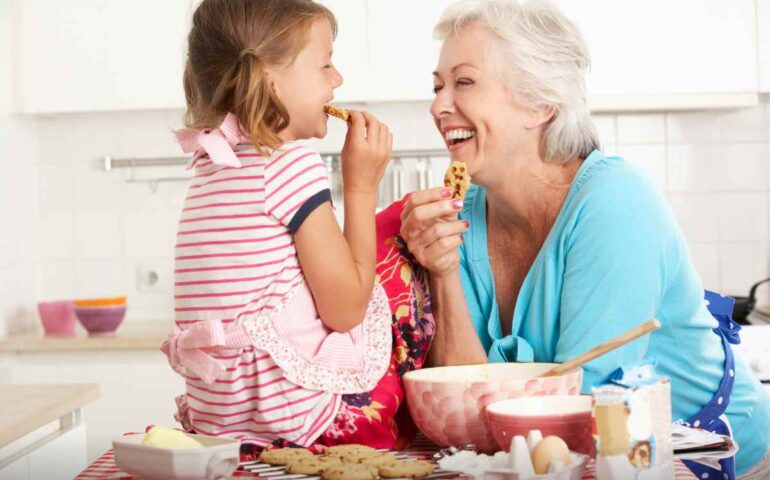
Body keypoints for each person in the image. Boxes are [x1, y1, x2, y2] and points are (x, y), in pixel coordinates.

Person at [398, 1, 770, 478]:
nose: (438, 105)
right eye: (437, 86)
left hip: (713, 456)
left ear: (540, 102)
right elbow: (464, 404)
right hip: (564, 458)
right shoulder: (460, 216)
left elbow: (583, 410)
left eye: (463, 82)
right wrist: (442, 270)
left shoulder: (615, 202)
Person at [160, 0, 426, 450]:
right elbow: (346, 311)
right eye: (325, 64)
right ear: (270, 79)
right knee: (406, 255)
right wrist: (360, 186)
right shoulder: (288, 165)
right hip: (297, 419)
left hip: (218, 422)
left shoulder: (210, 165)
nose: (338, 78)